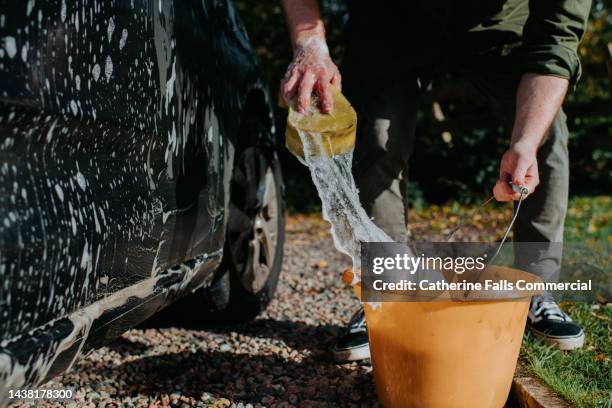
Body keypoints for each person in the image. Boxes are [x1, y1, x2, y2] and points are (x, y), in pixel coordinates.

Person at [281, 0, 592, 361]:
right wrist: (309, 42)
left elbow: (555, 43)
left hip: (501, 20)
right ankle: (388, 293)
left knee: (545, 131)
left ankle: (535, 289)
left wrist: (525, 141)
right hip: (394, 18)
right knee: (378, 135)